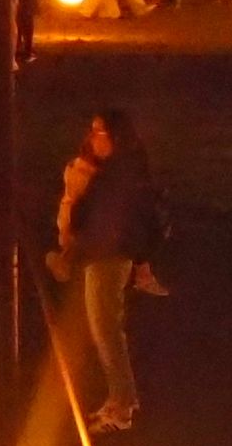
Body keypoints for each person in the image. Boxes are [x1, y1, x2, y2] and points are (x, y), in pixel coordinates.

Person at [54, 103, 166, 428]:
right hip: (105, 254)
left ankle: (122, 404)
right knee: (104, 327)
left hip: (109, 256)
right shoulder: (114, 169)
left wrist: (77, 239)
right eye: (92, 131)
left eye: (100, 131)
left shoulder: (119, 175)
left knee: (105, 328)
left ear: (115, 136)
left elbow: (98, 217)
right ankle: (121, 399)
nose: (93, 138)